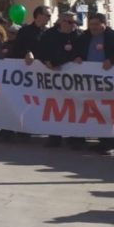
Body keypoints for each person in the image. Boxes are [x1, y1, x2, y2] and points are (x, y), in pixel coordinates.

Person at [74, 13, 114, 154]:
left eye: (96, 24)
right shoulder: (84, 37)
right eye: (91, 24)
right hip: (90, 81)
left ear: (104, 24)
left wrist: (112, 60)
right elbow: (76, 51)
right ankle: (102, 141)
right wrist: (78, 57)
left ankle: (111, 143)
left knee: (109, 111)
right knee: (96, 111)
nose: (93, 27)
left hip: (110, 82)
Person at [38, 11, 83, 149]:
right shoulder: (49, 34)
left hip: (73, 78)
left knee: (74, 107)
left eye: (75, 22)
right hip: (53, 75)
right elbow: (40, 50)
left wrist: (80, 57)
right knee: (55, 107)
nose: (73, 25)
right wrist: (46, 61)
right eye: (70, 22)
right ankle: (54, 136)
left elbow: (84, 51)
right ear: (60, 22)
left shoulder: (80, 35)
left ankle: (75, 138)